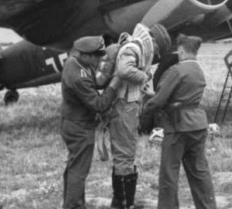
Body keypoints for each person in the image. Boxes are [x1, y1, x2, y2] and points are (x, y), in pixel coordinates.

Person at [142, 34, 217, 209]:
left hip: (178, 127)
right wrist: (160, 97)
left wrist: (146, 108)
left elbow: (160, 101)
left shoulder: (176, 70)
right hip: (198, 125)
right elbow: (185, 96)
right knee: (200, 172)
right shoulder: (198, 70)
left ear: (181, 50)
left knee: (169, 174)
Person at [109, 23, 172, 209]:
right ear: (153, 42)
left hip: (129, 106)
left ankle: (124, 200)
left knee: (127, 152)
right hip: (124, 106)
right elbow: (124, 70)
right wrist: (144, 77)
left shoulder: (135, 47)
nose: (157, 52)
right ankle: (122, 203)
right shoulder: (133, 48)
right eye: (158, 48)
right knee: (124, 154)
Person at [60, 36, 121, 209]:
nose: (99, 58)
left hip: (70, 121)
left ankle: (69, 203)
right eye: (96, 56)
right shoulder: (79, 77)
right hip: (79, 126)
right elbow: (100, 105)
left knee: (73, 166)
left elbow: (94, 81)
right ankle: (75, 206)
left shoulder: (74, 63)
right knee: (79, 170)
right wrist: (115, 84)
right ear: (85, 55)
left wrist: (107, 75)